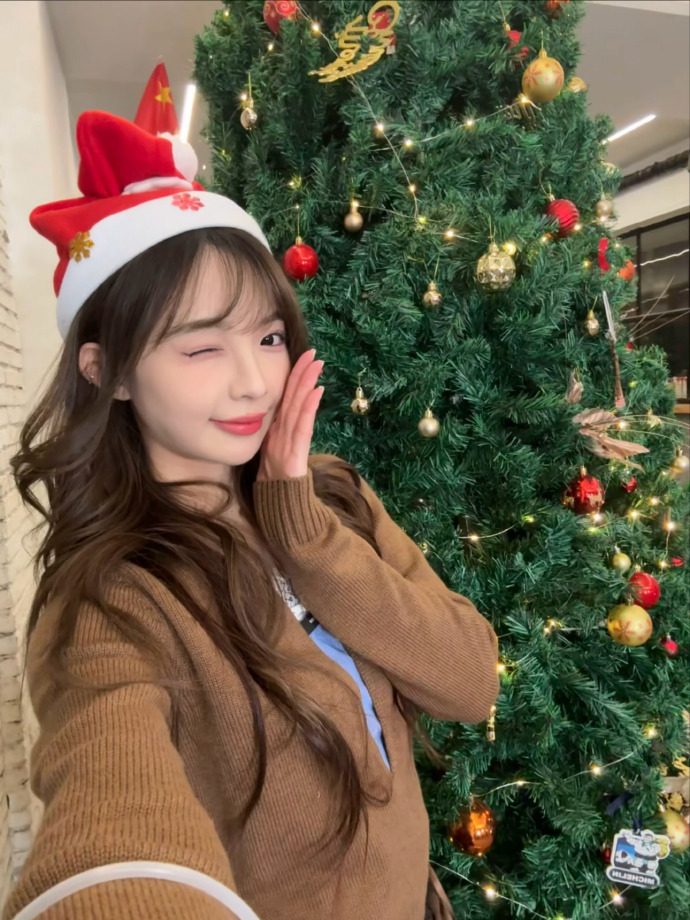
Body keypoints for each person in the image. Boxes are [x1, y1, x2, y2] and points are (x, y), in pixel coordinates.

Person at [4, 111, 499, 920]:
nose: (253, 382)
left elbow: (470, 682)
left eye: (268, 337)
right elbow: (109, 814)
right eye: (202, 347)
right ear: (108, 372)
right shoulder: (111, 601)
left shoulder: (332, 494)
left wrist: (306, 533)